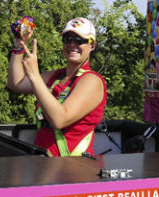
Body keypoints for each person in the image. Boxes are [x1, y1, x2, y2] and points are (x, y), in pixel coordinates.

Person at [7, 17, 106, 157]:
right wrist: (19, 44)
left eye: (80, 40)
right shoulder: (57, 76)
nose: (72, 44)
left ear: (92, 45)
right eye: (67, 39)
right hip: (44, 164)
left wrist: (35, 75)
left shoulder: (92, 81)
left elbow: (60, 120)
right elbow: (16, 83)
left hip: (72, 170)